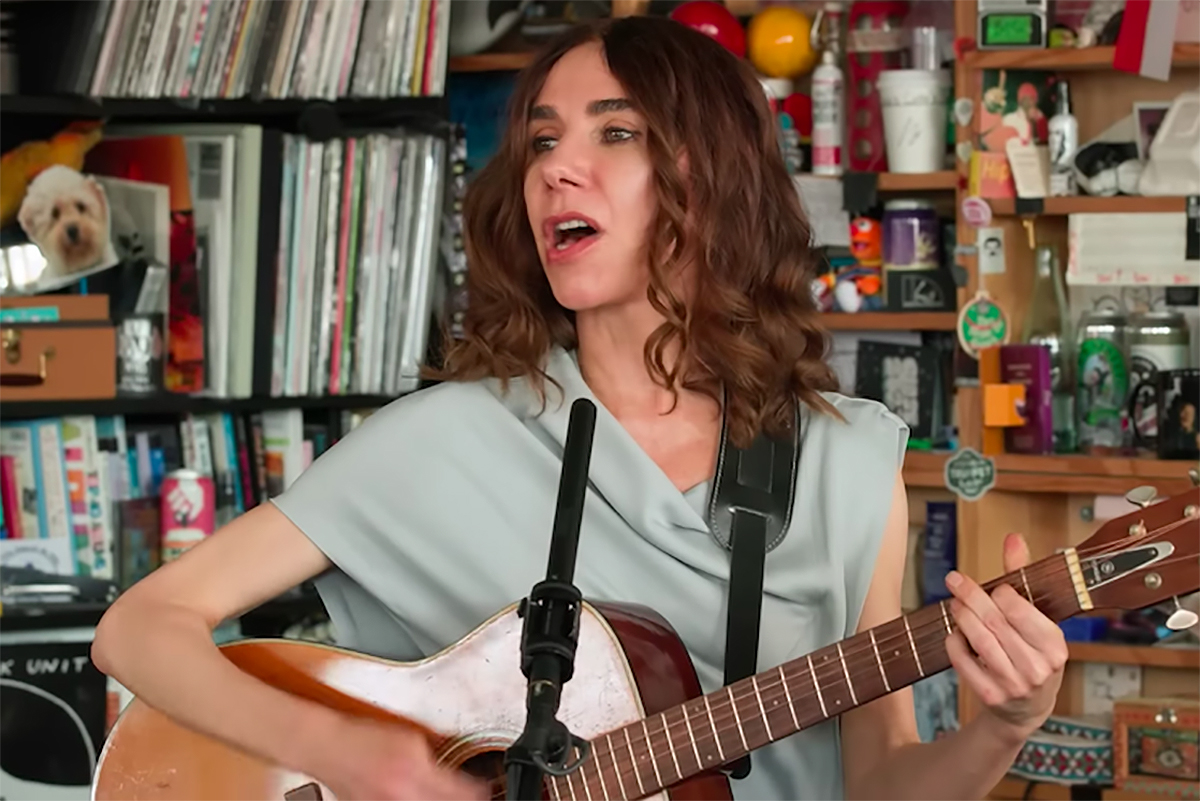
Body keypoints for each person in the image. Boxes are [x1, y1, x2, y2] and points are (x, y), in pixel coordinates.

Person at [91, 15, 1069, 801]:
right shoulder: (445, 438)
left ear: (713, 176)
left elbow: (882, 782)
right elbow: (139, 628)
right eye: (543, 140)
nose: (557, 166)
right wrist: (340, 752)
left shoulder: (845, 467)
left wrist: (1005, 725)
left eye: (616, 132)